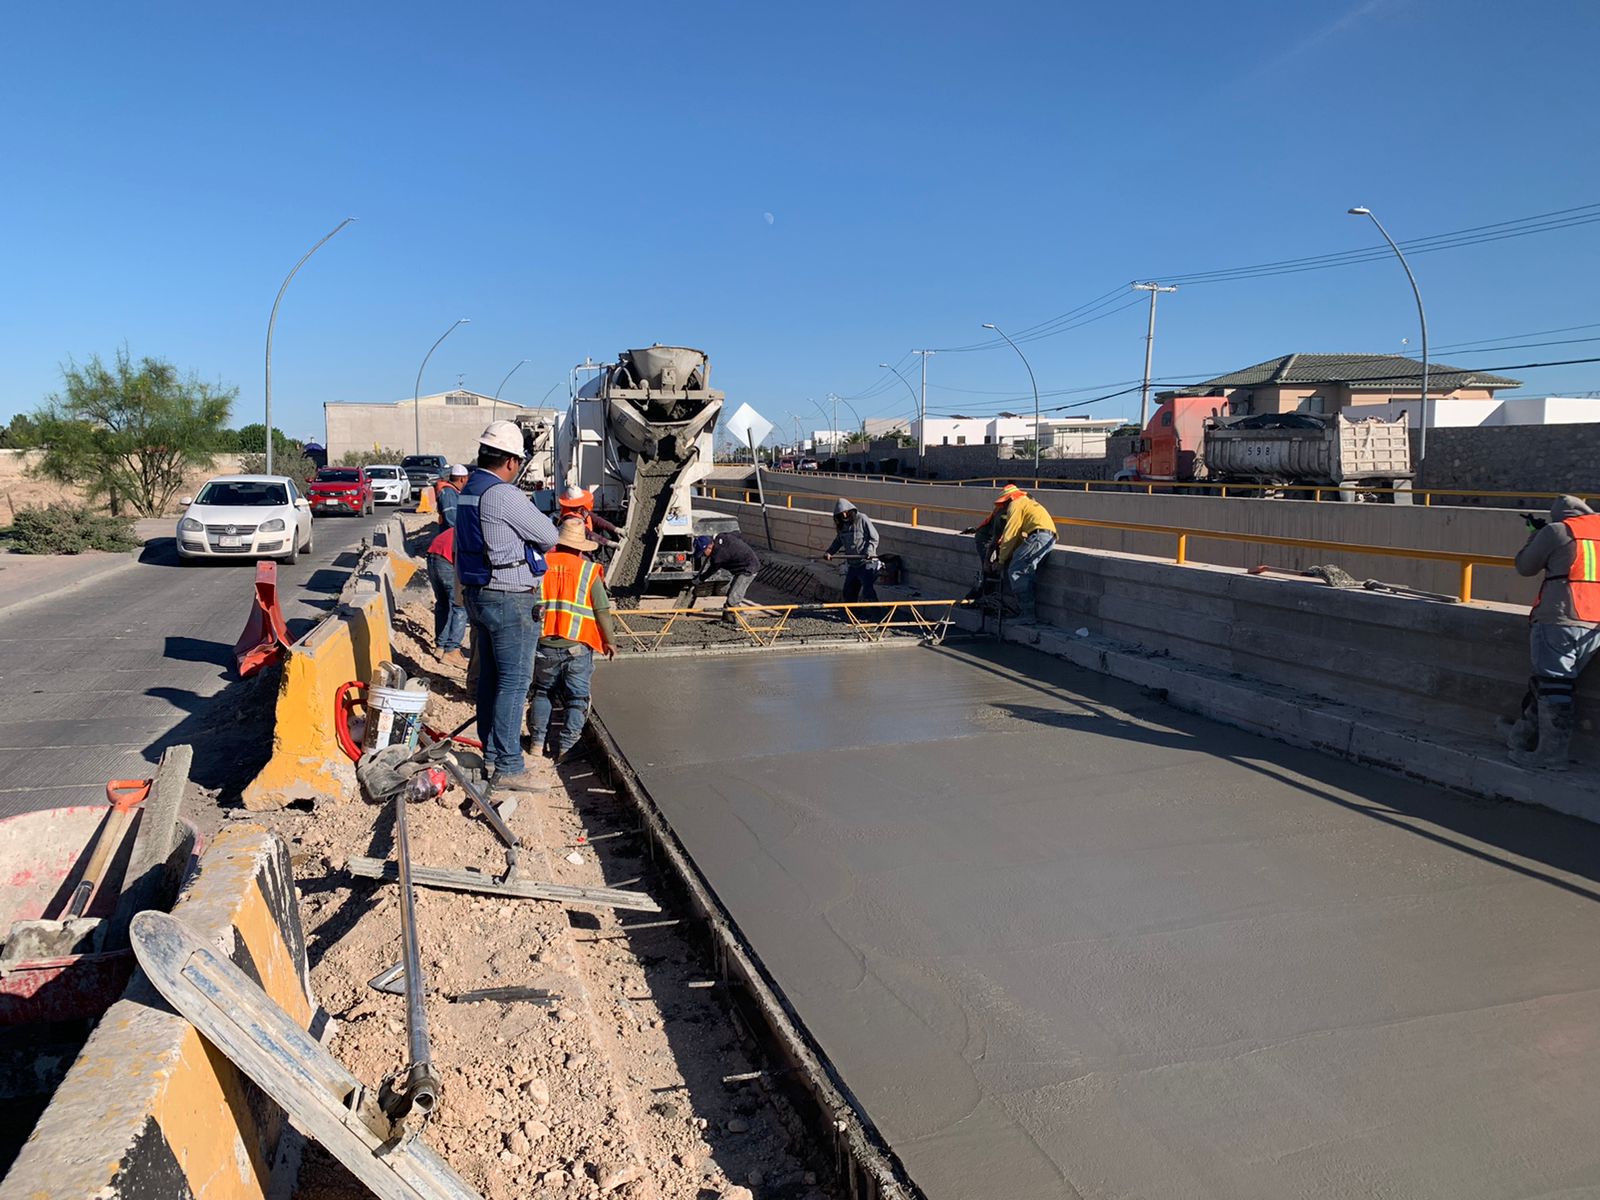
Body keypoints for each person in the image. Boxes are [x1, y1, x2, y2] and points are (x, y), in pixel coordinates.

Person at [455, 420, 561, 793]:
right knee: (515, 683)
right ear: (512, 462)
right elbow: (549, 536)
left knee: (491, 679)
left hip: (479, 594)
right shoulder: (504, 495)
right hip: (509, 598)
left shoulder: (469, 490)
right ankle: (510, 766)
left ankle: (492, 755)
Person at [1502, 495, 1600, 769]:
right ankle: (1521, 736)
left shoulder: (1557, 530)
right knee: (1553, 685)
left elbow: (1524, 566)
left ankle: (1550, 755)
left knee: (1554, 686)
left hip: (1561, 617)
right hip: (1595, 621)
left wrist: (1535, 535)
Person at [527, 521, 618, 764]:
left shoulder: (540, 565)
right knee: (577, 698)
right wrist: (609, 641)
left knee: (543, 692)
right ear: (580, 547)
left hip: (543, 644)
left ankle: (537, 743)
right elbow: (602, 610)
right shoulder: (588, 571)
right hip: (577, 646)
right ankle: (566, 747)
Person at [991, 484, 1056, 622]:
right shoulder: (1028, 502)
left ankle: (1027, 615)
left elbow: (1011, 533)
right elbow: (1019, 536)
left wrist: (1001, 560)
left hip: (1038, 537)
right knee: (1027, 572)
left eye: (1004, 503)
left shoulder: (1015, 504)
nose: (1004, 507)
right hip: (1046, 537)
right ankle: (1027, 613)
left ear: (1010, 498)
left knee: (1016, 570)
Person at [694, 530, 760, 623]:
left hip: (748, 569)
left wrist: (700, 579)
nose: (704, 555)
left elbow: (711, 570)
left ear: (709, 547)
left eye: (704, 553)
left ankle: (741, 622)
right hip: (741, 568)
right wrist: (738, 549)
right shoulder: (721, 536)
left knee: (733, 599)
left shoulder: (718, 556)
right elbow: (737, 533)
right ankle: (727, 618)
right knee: (730, 593)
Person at [425, 518, 468, 658]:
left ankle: (440, 646)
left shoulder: (462, 526)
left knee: (443, 603)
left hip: (433, 556)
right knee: (460, 605)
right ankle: (452, 649)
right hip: (447, 560)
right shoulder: (476, 532)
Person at [823, 499, 881, 602]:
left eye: (846, 512)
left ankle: (875, 615)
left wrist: (869, 552)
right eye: (841, 514)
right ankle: (852, 614)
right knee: (848, 592)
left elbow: (874, 537)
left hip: (866, 564)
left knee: (868, 592)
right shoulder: (842, 526)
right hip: (853, 565)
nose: (844, 515)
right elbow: (838, 541)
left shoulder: (862, 519)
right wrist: (829, 552)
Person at [558, 485, 622, 546]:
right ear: (571, 505)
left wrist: (615, 529)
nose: (580, 506)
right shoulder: (569, 519)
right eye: (577, 504)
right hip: (576, 548)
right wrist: (607, 542)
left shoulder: (582, 510)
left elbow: (598, 520)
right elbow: (588, 533)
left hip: (585, 544)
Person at [435, 464, 468, 528]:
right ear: (462, 479)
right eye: (467, 478)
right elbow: (451, 518)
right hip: (450, 533)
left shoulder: (453, 491)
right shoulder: (449, 493)